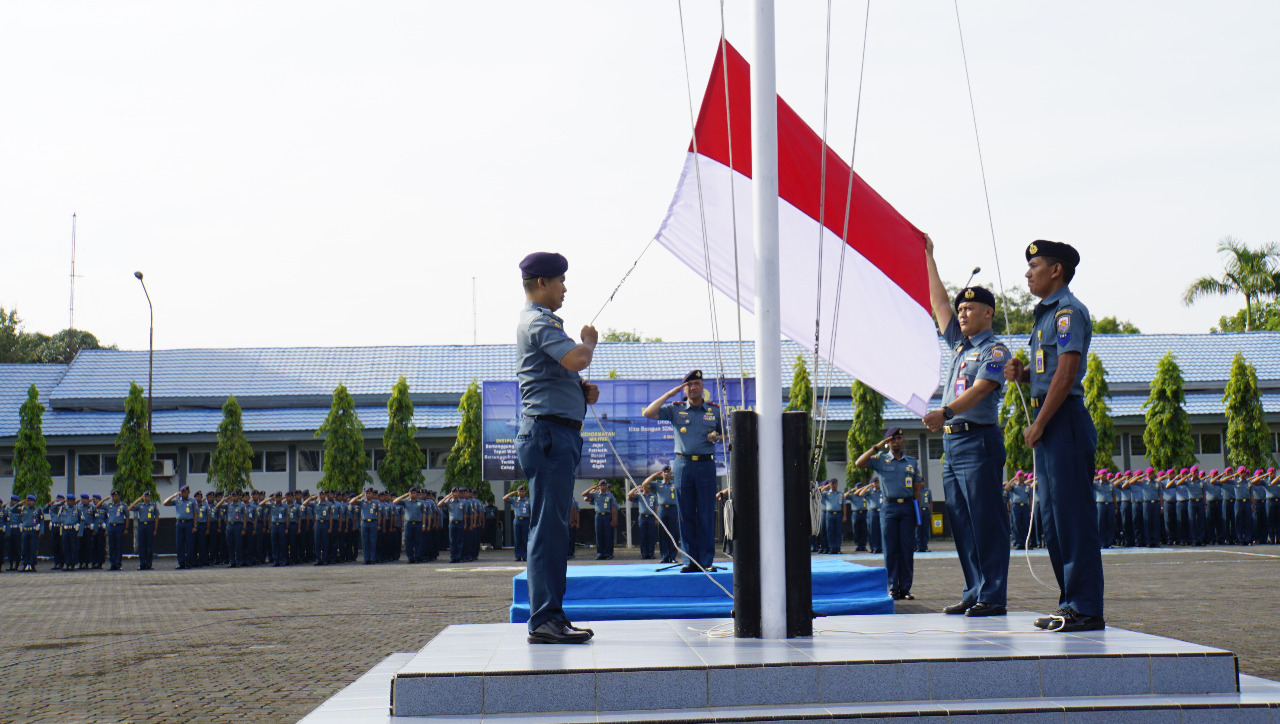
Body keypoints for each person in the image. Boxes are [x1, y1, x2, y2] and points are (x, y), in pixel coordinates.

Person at [1003, 239, 1104, 632]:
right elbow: (1047, 371)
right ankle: (1070, 603)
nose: (1028, 274)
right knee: (1054, 518)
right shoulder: (1044, 316)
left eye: (1035, 266)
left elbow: (1066, 374)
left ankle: (1086, 606)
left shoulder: (1067, 313)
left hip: (1064, 421)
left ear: (1056, 270)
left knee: (1073, 518)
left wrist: (1040, 422)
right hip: (1052, 419)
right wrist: (1023, 373)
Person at [922, 242, 1012, 617]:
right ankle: (973, 589)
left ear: (987, 313)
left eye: (969, 308)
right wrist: (928, 256)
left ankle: (992, 595)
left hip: (978, 441)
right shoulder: (960, 346)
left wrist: (944, 411)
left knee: (986, 520)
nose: (961, 313)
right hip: (953, 444)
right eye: (960, 309)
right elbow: (938, 304)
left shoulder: (995, 351)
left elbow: (980, 390)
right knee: (961, 521)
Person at [515, 250, 599, 644]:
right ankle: (545, 618)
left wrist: (581, 393)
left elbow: (560, 373)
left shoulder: (544, 323)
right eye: (560, 281)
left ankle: (552, 614)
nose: (565, 288)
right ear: (542, 283)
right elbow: (577, 357)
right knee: (548, 529)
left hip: (557, 433)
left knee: (553, 525)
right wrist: (588, 343)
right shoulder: (538, 322)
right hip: (548, 435)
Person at [642, 370, 725, 573]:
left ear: (702, 386)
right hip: (682, 465)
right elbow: (648, 413)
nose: (693, 387)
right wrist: (669, 395)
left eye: (696, 383)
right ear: (684, 389)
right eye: (688, 385)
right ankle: (690, 561)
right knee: (686, 513)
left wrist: (717, 437)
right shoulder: (675, 409)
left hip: (705, 465)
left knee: (705, 513)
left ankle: (705, 561)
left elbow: (726, 435)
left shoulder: (714, 411)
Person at [854, 428, 924, 600]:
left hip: (907, 507)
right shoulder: (880, 460)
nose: (896, 442)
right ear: (887, 442)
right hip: (889, 507)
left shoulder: (912, 462)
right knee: (891, 549)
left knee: (906, 549)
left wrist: (917, 514)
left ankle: (905, 588)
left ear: (903, 441)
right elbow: (859, 463)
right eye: (892, 439)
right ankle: (893, 587)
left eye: (899, 438)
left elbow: (916, 489)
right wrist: (876, 447)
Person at [646, 467, 680, 563]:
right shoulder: (658, 484)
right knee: (662, 533)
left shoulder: (675, 483)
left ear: (671, 473)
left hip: (673, 508)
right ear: (662, 474)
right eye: (664, 472)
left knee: (674, 533)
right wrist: (654, 475)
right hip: (662, 509)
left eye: (668, 472)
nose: (666, 473)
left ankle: (672, 556)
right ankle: (665, 556)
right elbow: (645, 484)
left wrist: (678, 512)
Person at [163, 486, 197, 569]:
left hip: (189, 523)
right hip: (179, 523)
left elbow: (195, 514)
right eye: (182, 492)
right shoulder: (177, 501)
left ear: (188, 492)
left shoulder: (192, 501)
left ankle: (189, 563)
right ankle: (181, 563)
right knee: (179, 544)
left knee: (189, 544)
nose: (183, 494)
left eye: (185, 492)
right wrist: (174, 495)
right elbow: (165, 503)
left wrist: (195, 526)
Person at [583, 480, 618, 560]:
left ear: (606, 486)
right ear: (599, 486)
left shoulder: (610, 495)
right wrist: (593, 487)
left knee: (607, 535)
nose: (603, 487)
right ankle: (600, 553)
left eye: (604, 485)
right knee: (599, 535)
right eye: (601, 485)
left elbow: (613, 508)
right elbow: (584, 494)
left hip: (607, 516)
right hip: (598, 516)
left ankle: (608, 553)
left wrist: (614, 520)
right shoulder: (595, 495)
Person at [627, 480, 658, 560]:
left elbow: (656, 507)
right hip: (642, 517)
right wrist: (637, 488)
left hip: (651, 517)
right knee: (643, 536)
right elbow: (629, 495)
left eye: (648, 486)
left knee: (651, 536)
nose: (646, 488)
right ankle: (644, 554)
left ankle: (651, 553)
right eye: (645, 486)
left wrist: (656, 519)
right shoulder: (639, 495)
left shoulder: (653, 496)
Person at [129, 491, 159, 570]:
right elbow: (129, 508)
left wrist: (155, 529)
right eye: (145, 497)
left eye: (148, 497)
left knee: (149, 546)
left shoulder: (153, 506)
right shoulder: (140, 505)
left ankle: (149, 564)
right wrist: (138, 500)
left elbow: (156, 517)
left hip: (150, 525)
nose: (147, 498)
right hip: (142, 525)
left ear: (150, 497)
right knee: (142, 546)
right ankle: (142, 564)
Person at [503, 485, 532, 562]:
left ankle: (525, 555)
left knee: (525, 538)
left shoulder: (528, 501)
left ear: (525, 492)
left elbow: (530, 512)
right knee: (517, 539)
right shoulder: (515, 500)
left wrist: (530, 522)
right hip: (517, 520)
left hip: (525, 520)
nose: (522, 493)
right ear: (518, 492)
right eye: (520, 491)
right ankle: (518, 556)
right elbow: (504, 498)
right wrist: (513, 493)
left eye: (523, 491)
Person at [817, 479, 845, 555]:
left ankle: (838, 548)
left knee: (838, 532)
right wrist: (826, 486)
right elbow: (819, 494)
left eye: (835, 484)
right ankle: (832, 548)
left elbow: (844, 505)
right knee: (830, 531)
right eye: (832, 484)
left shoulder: (840, 494)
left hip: (838, 513)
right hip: (829, 514)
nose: (834, 485)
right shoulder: (826, 493)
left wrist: (844, 515)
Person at [844, 483, 869, 552]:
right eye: (858, 487)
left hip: (864, 512)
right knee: (856, 530)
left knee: (864, 530)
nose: (860, 488)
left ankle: (863, 545)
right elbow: (844, 497)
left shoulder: (864, 494)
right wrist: (850, 491)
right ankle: (858, 545)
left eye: (861, 486)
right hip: (856, 513)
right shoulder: (852, 495)